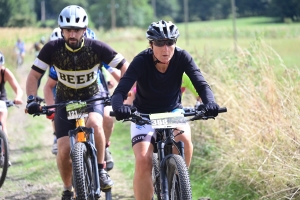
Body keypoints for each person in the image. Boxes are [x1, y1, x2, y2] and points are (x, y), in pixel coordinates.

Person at [25, 5, 129, 200]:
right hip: (65, 100)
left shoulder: (96, 47)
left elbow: (124, 66)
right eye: (68, 30)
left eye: (77, 30)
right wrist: (31, 99)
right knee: (63, 149)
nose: (72, 34)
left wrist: (121, 94)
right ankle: (67, 188)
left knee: (95, 123)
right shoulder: (52, 49)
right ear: (62, 30)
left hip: (92, 96)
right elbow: (33, 76)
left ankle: (100, 170)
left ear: (84, 30)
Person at [111, 20, 220, 200]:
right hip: (144, 116)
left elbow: (201, 84)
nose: (165, 48)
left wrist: (210, 102)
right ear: (151, 44)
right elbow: (120, 91)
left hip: (173, 113)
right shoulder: (141, 61)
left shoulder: (182, 57)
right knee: (144, 160)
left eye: (170, 43)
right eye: (160, 43)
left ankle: (179, 185)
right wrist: (120, 107)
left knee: (184, 139)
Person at [44, 27, 118, 171]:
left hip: (97, 96)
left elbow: (115, 72)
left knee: (106, 118)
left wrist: (125, 90)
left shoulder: (98, 56)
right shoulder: (58, 61)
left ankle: (105, 147)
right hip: (69, 99)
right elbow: (48, 85)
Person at [0, 52, 23, 166]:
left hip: (2, 101)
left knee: (2, 122)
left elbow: (18, 88)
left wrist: (18, 98)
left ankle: (4, 154)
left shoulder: (4, 72)